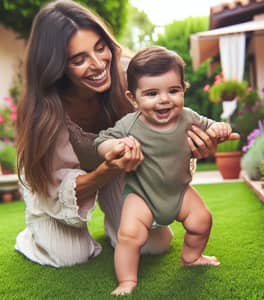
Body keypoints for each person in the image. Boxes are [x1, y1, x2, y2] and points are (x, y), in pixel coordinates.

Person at [14, 0, 217, 268]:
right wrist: (105, 170)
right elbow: (55, 184)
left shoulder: (131, 74)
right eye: (79, 59)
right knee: (68, 257)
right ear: (57, 66)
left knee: (152, 245)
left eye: (101, 48)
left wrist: (195, 145)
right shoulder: (44, 111)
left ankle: (116, 224)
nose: (98, 64)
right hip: (55, 184)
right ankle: (35, 233)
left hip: (119, 169)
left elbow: (172, 118)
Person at [95, 46, 239, 295]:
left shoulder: (188, 117)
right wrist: (115, 146)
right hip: (141, 194)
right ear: (133, 98)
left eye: (173, 91)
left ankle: (192, 257)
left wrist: (219, 128)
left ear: (183, 89)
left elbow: (211, 124)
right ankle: (127, 280)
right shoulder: (130, 124)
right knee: (129, 236)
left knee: (202, 220)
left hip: (179, 191)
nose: (164, 99)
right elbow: (101, 141)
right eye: (151, 93)